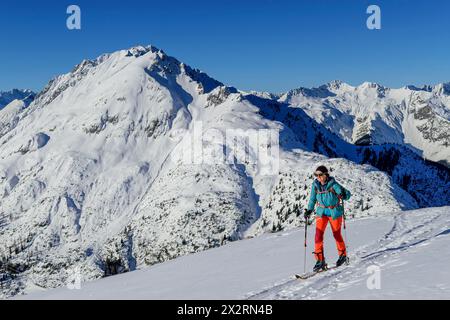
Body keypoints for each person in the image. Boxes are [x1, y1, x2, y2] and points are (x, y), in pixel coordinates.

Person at [304, 165, 351, 272]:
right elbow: (312, 199)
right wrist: (309, 210)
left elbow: (347, 195)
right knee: (318, 236)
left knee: (336, 234)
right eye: (316, 175)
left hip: (334, 213)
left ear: (326, 175)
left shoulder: (333, 185)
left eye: (320, 175)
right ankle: (320, 260)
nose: (318, 177)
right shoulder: (315, 185)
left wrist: (343, 194)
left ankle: (342, 255)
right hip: (321, 212)